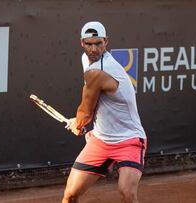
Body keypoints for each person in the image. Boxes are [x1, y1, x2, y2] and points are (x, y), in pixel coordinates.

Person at [63, 21, 147, 203]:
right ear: (81, 43)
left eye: (98, 43)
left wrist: (78, 123)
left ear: (106, 42)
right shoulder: (86, 60)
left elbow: (85, 111)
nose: (93, 49)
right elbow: (94, 103)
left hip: (129, 140)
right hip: (100, 140)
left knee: (127, 192)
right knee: (70, 195)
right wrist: (80, 120)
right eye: (89, 44)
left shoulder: (100, 70)